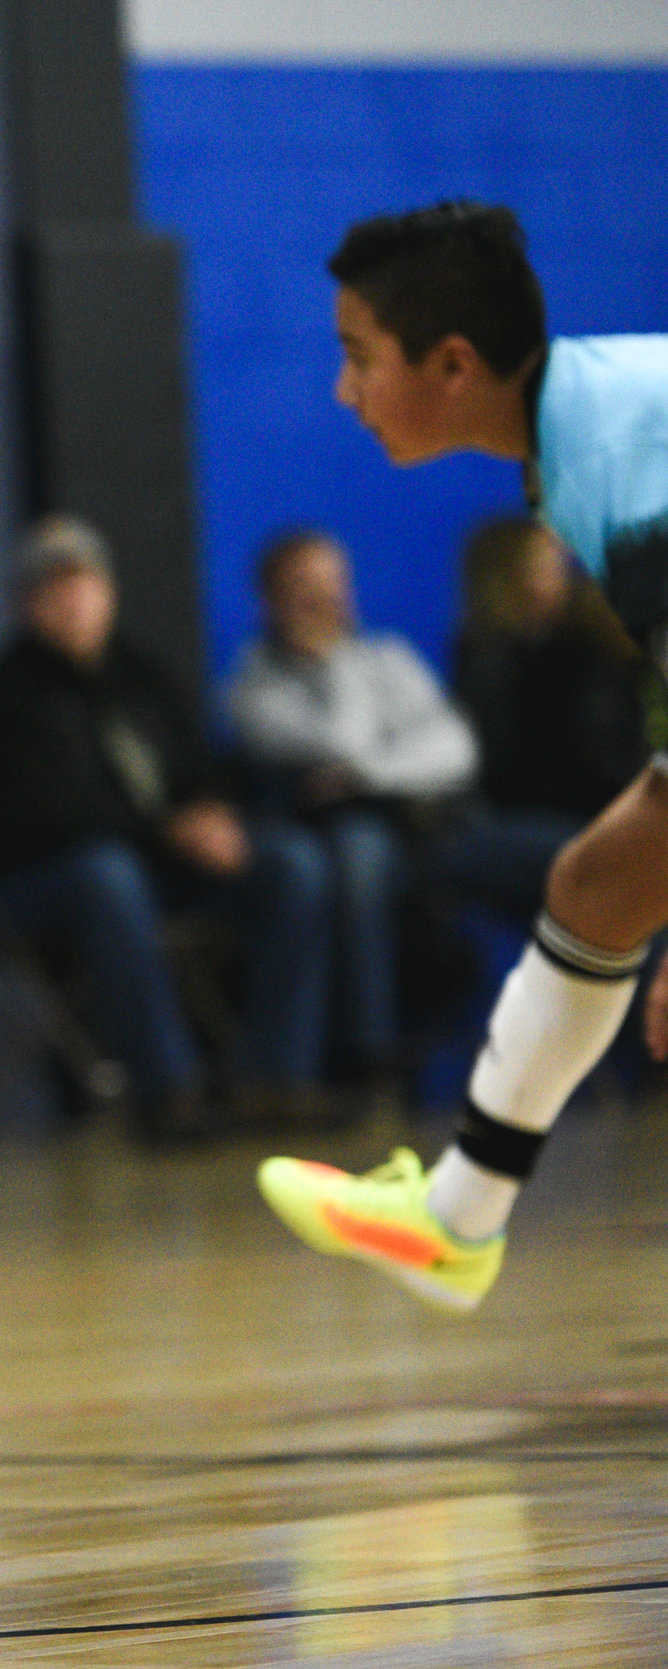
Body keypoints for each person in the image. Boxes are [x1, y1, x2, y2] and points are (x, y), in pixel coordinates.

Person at [260, 200, 668, 1313]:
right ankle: (456, 1221)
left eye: (356, 358)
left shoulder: (625, 454)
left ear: (449, 362)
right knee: (601, 878)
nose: (343, 391)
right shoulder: (583, 435)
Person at [0, 516, 332, 1141]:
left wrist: (214, 814)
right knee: (108, 875)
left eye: (86, 584)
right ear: (26, 604)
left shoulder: (142, 675)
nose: (75, 601)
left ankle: (274, 1077)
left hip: (156, 867)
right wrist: (164, 831)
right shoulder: (2, 698)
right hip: (44, 882)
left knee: (293, 863)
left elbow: (200, 767)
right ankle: (167, 1091)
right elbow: (44, 817)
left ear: (109, 591)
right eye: (55, 589)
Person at [228, 528, 477, 1087]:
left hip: (434, 828)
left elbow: (456, 749)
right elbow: (340, 740)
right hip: (340, 839)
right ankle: (371, 1054)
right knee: (357, 853)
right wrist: (333, 659)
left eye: (334, 581)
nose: (326, 599)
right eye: (306, 586)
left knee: (560, 853)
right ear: (271, 600)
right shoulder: (254, 684)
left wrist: (367, 775)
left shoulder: (390, 659)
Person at [443, 514, 653, 921]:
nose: (559, 577)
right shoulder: (488, 657)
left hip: (612, 816)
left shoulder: (601, 645)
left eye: (559, 564)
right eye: (542, 565)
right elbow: (496, 765)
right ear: (505, 577)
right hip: (535, 822)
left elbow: (619, 754)